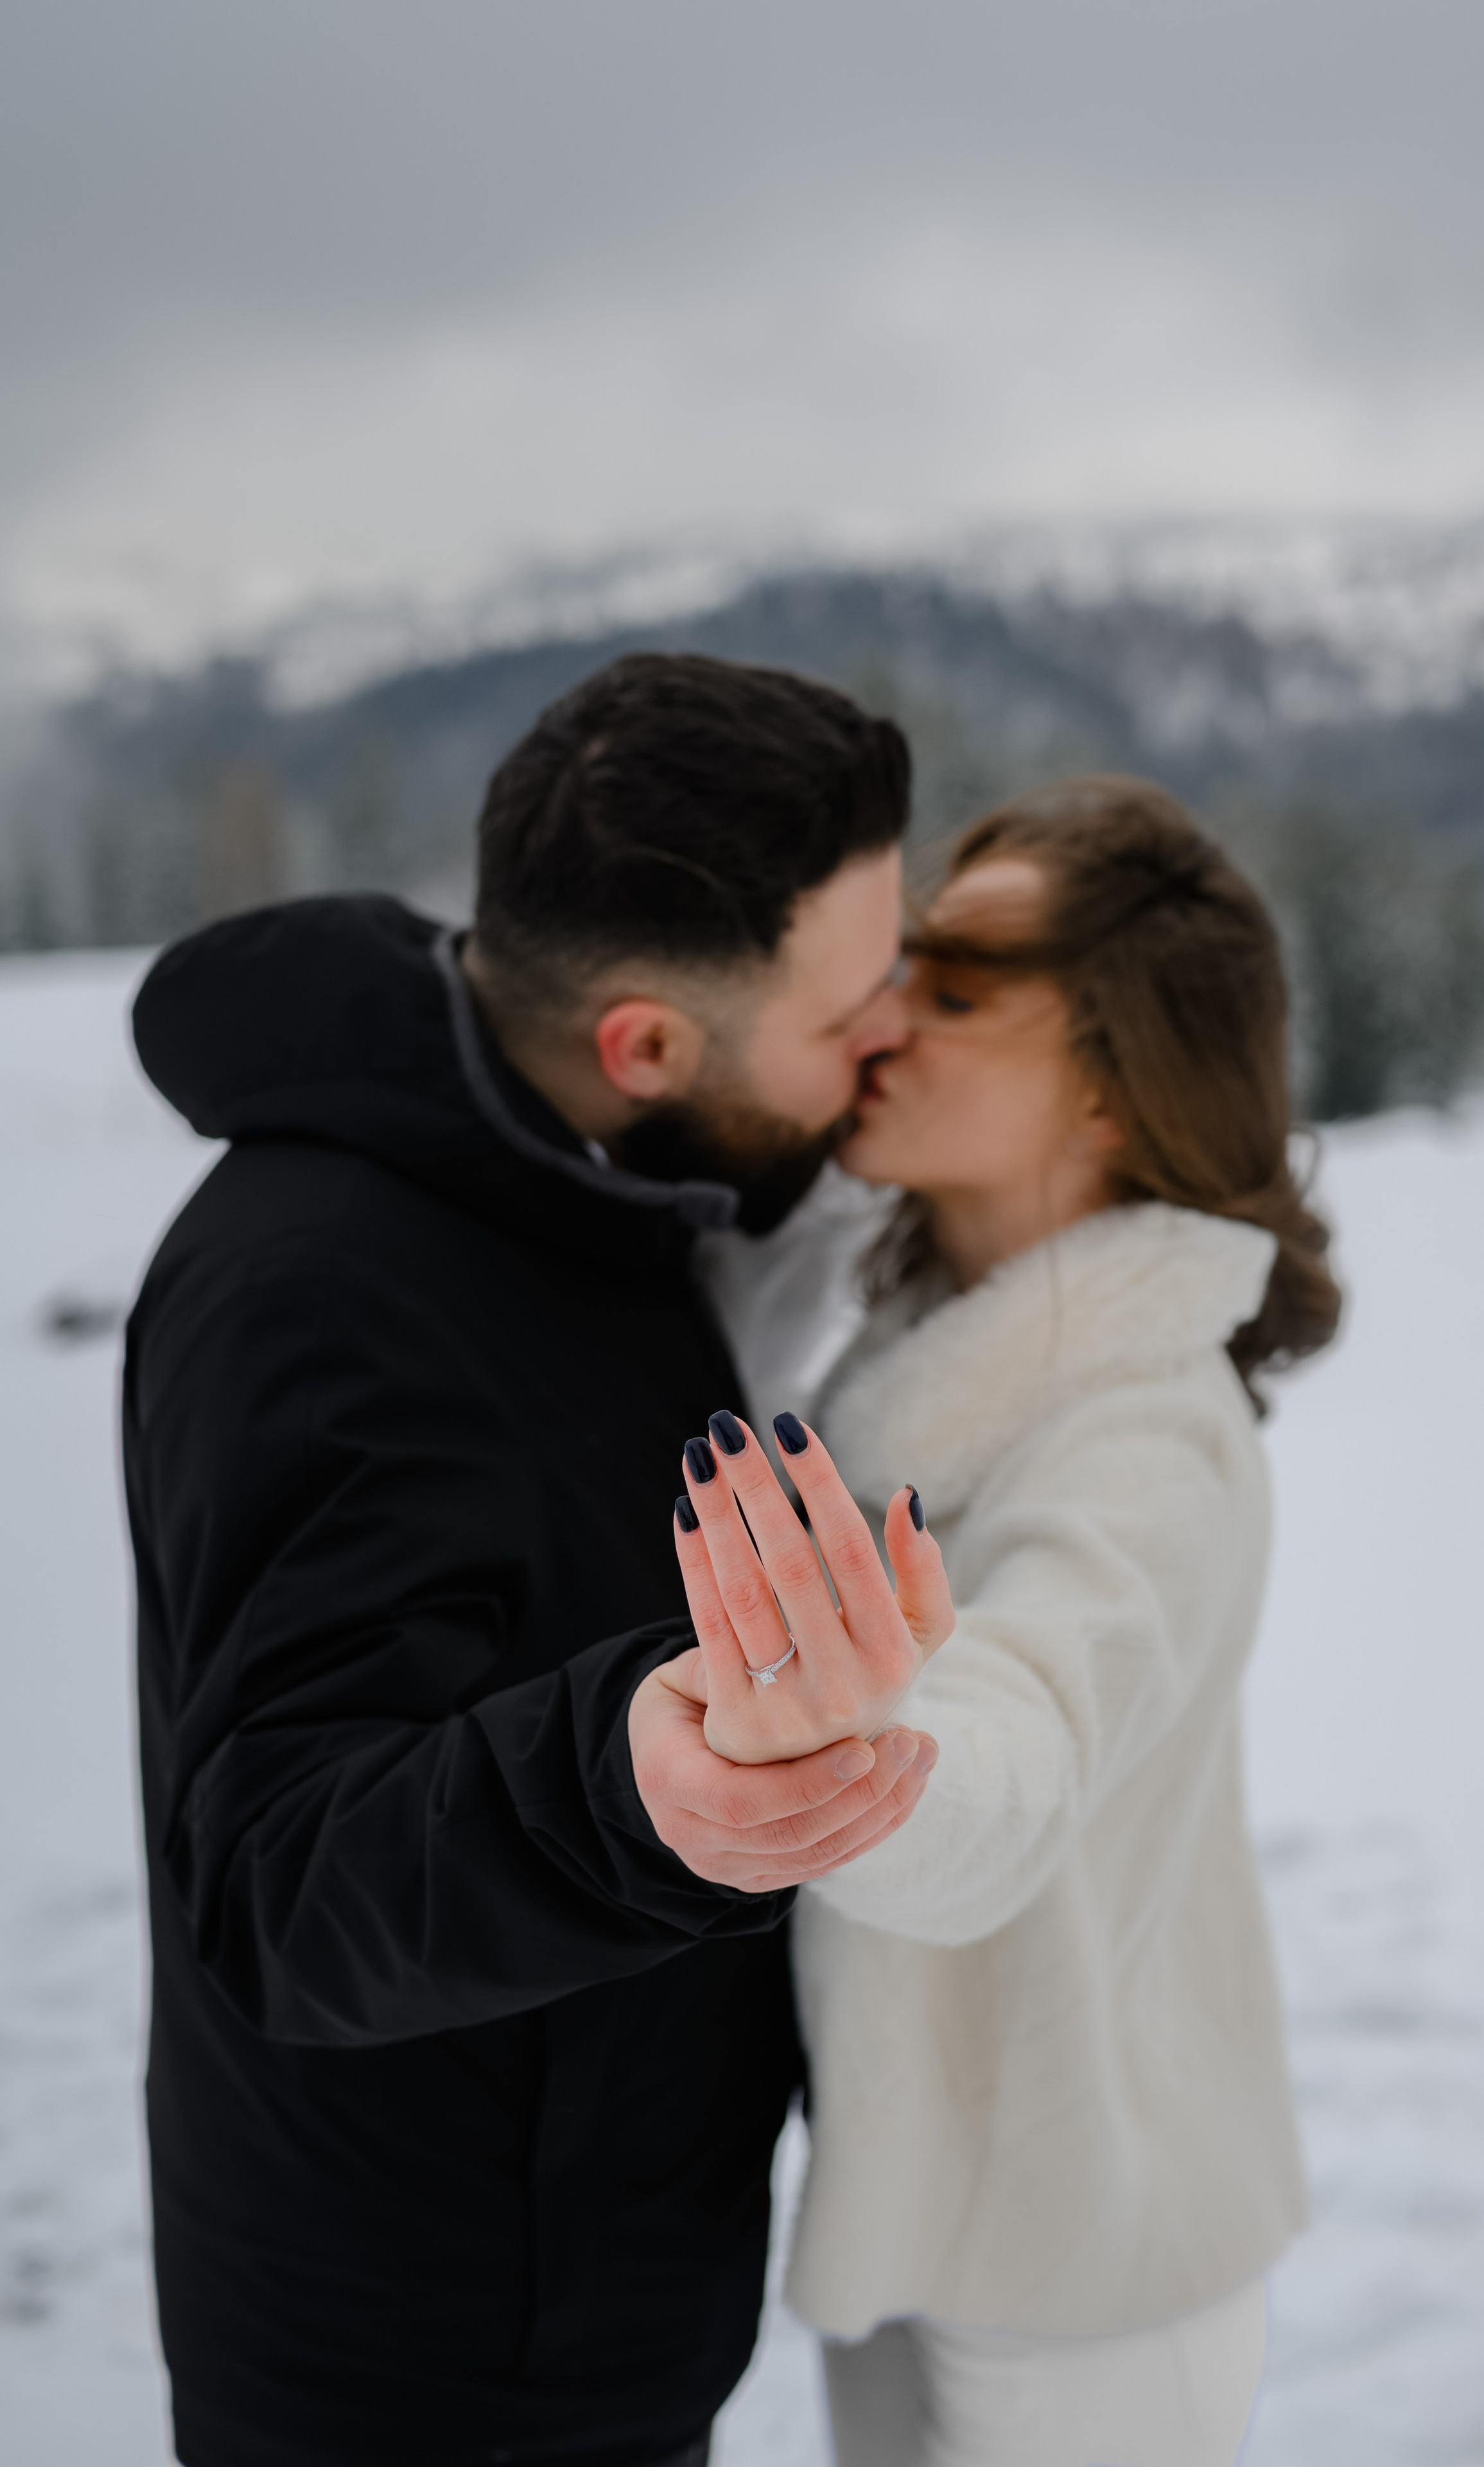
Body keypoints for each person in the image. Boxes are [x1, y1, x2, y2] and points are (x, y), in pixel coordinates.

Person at [122, 652, 944, 2467]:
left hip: (586, 2285)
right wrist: (628, 1787)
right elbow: (279, 1874)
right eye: (850, 1005)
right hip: (432, 2377)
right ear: (644, 1043)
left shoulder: (588, 1182)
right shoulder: (325, 1295)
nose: (893, 1027)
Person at [672, 776, 1343, 2467]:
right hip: (943, 2196)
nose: (887, 1011)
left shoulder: (1143, 1430)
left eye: (959, 990)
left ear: (1117, 1083)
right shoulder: (911, 1337)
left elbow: (1019, 1741)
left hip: (1092, 2250)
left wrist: (867, 1753)